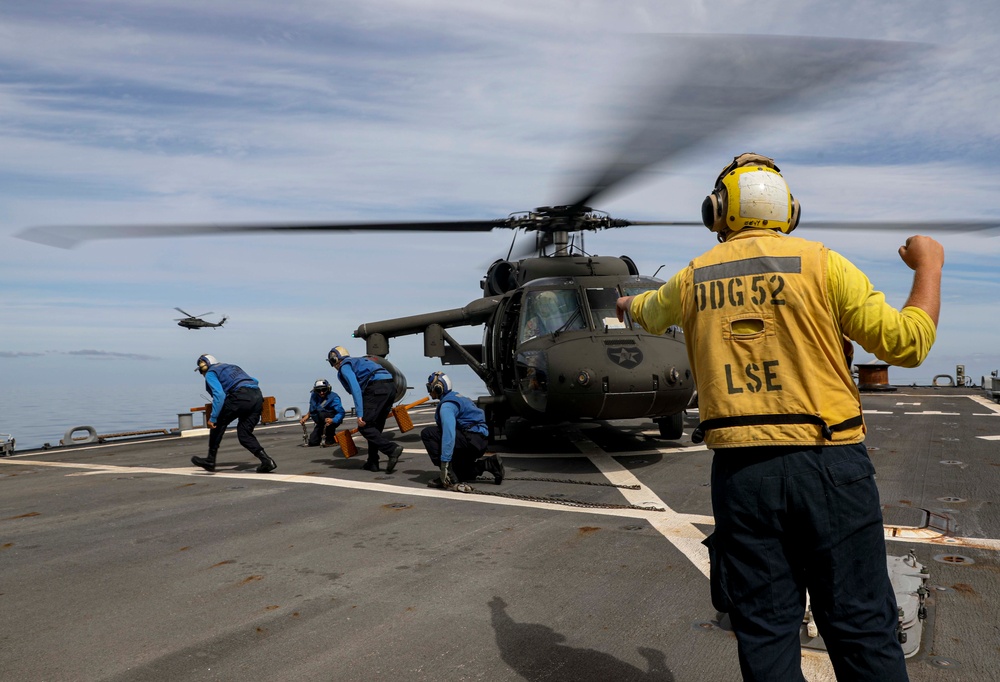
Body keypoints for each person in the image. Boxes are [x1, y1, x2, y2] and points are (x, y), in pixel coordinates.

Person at [616, 153, 943, 682]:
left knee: (765, 629)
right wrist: (930, 266)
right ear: (788, 209)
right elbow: (907, 345)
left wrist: (628, 306)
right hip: (831, 465)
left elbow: (651, 311)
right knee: (860, 624)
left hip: (743, 475)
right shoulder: (821, 262)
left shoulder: (695, 277)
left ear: (717, 212)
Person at [191, 354, 277, 474]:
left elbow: (219, 395)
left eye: (201, 371)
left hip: (240, 396)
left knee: (217, 424)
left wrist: (213, 418)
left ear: (204, 367)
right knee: (244, 434)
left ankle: (210, 461)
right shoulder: (232, 367)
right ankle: (266, 461)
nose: (202, 373)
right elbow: (254, 380)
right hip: (257, 396)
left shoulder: (211, 373)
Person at [420, 371, 504, 488]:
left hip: (470, 440)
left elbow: (449, 434)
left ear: (438, 388)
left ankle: (448, 473)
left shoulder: (447, 406)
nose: (429, 392)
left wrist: (445, 464)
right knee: (460, 473)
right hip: (480, 441)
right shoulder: (458, 397)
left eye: (430, 387)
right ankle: (489, 464)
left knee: (428, 433)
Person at [327, 346, 404, 473]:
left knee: (365, 426)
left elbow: (355, 388)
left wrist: (360, 414)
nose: (333, 365)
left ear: (336, 359)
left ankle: (391, 449)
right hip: (390, 388)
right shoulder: (359, 362)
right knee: (375, 427)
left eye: (332, 362)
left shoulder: (344, 366)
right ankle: (373, 462)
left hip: (376, 389)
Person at [299, 379, 345, 447]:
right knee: (312, 442)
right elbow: (314, 408)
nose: (321, 393)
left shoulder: (334, 397)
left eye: (324, 390)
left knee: (322, 413)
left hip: (332, 420)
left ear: (328, 389)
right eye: (318, 390)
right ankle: (324, 436)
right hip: (320, 422)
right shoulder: (314, 395)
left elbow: (341, 412)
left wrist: (333, 420)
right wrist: (307, 416)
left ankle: (331, 439)